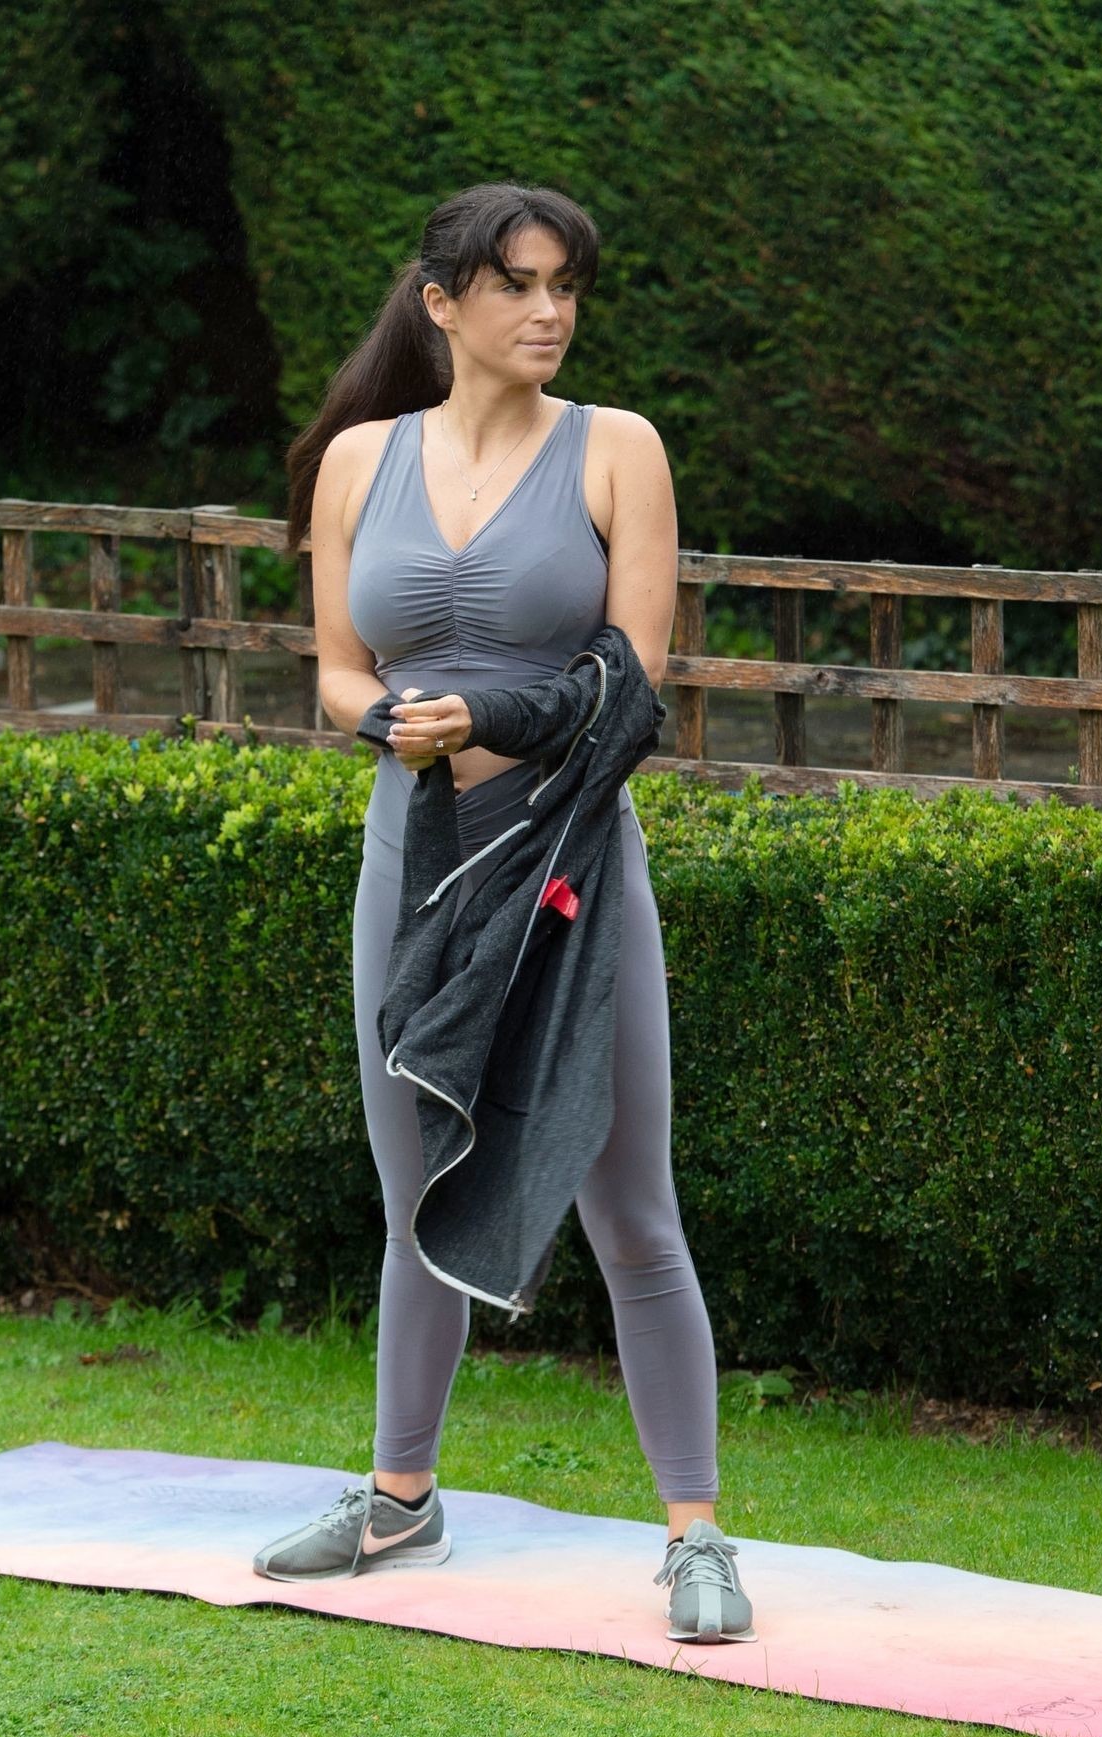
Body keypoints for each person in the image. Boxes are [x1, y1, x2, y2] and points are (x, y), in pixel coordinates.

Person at [254, 181, 754, 1645]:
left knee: (629, 1204)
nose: (549, 312)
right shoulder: (359, 462)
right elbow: (336, 667)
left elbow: (632, 679)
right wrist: (383, 720)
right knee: (415, 1193)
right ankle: (398, 1500)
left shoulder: (618, 449)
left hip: (568, 862)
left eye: (565, 287)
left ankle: (698, 1535)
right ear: (442, 303)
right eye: (518, 285)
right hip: (412, 857)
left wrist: (492, 715)